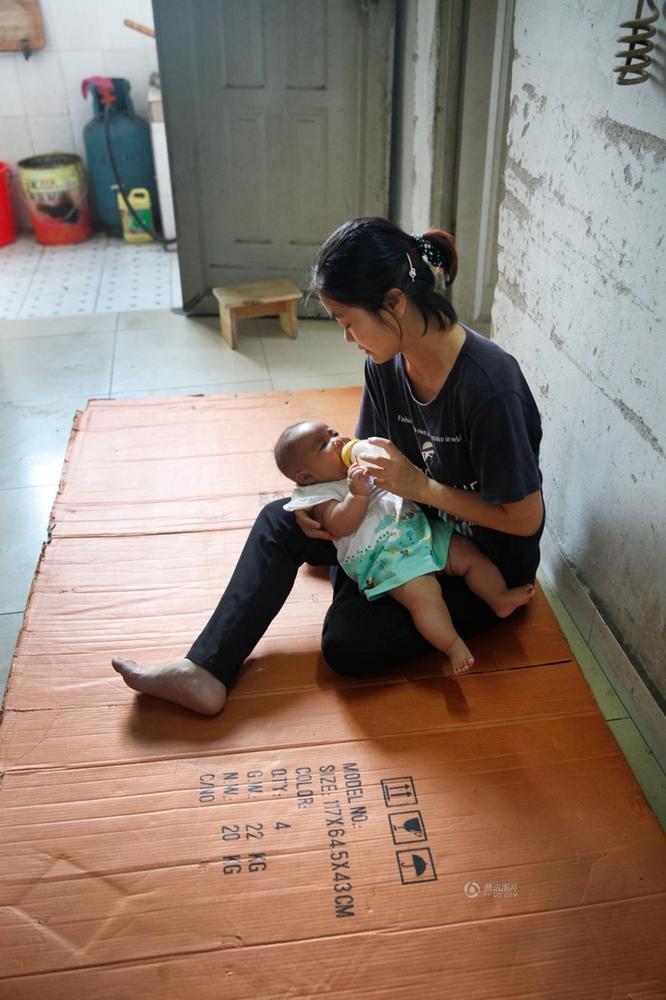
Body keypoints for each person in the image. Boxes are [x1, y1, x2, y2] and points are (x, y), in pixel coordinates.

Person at [112, 217, 544, 715]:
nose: (346, 337)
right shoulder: (386, 361)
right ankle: (205, 669)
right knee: (282, 518)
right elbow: (356, 457)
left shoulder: (489, 387)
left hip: (475, 561)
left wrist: (418, 488)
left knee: (347, 643)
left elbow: (524, 519)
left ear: (394, 303)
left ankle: (366, 574)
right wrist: (319, 502)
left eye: (346, 321)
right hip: (404, 523)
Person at [275, 419, 535, 674]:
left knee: (467, 553)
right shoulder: (321, 496)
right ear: (306, 476)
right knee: (425, 596)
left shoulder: (356, 465)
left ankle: (497, 597)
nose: (337, 440)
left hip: (419, 531)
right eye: (324, 444)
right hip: (389, 559)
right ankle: (452, 644)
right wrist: (356, 495)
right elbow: (340, 525)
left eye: (333, 432)